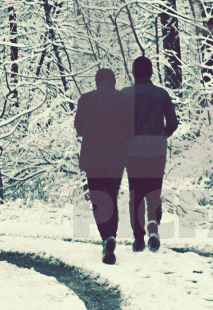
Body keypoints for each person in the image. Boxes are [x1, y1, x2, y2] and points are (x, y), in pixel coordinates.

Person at [74, 68, 133, 265]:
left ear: (97, 81)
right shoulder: (124, 100)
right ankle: (111, 236)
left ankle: (106, 237)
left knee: (99, 199)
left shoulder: (86, 99)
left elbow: (79, 128)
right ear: (113, 82)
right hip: (116, 157)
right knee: (111, 197)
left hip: (93, 158)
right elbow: (130, 129)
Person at [121, 56, 178, 253]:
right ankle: (153, 223)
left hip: (133, 152)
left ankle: (138, 238)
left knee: (136, 194)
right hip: (156, 151)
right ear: (151, 72)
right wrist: (161, 135)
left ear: (134, 73)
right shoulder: (161, 94)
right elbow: (173, 123)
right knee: (154, 191)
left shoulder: (125, 94)